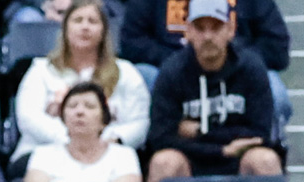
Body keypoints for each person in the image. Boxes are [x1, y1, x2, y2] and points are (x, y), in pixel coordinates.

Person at [143, 0, 282, 182]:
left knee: (265, 160)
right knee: (163, 162)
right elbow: (160, 138)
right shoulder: (171, 72)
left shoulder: (251, 69)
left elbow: (259, 134)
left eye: (216, 28)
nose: (208, 36)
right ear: (188, 31)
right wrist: (221, 148)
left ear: (231, 29)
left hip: (239, 158)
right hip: (190, 158)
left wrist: (200, 132)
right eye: (200, 28)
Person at [120, 0, 291, 139]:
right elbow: (131, 41)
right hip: (171, 75)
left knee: (276, 93)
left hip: (238, 73)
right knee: (143, 75)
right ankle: (151, 153)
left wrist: (233, 60)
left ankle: (269, 153)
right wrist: (180, 63)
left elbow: (276, 47)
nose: (208, 35)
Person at [13, 0, 150, 159]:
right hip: (45, 153)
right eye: (78, 20)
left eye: (92, 21)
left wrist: (107, 141)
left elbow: (139, 123)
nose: (85, 27)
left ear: (104, 30)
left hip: (108, 154)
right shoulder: (41, 70)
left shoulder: (125, 72)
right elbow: (29, 118)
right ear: (65, 29)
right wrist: (71, 141)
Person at [24, 82, 142, 182]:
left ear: (104, 119)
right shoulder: (43, 155)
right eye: (72, 106)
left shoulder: (124, 155)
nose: (79, 112)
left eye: (89, 106)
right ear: (63, 118)